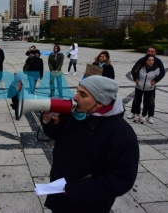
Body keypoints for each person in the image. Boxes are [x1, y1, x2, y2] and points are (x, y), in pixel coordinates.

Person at [40, 75, 139, 212]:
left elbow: (121, 179)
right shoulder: (78, 114)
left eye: (83, 94)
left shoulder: (121, 134)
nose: (75, 97)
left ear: (100, 102)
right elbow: (58, 135)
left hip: (88, 204)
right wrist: (49, 122)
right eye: (77, 91)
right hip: (61, 193)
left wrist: (72, 190)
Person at [127, 46, 165, 124]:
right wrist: (136, 78)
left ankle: (150, 115)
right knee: (136, 99)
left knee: (150, 101)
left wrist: (155, 81)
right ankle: (133, 112)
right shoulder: (141, 60)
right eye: (148, 51)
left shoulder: (158, 61)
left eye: (152, 51)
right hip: (140, 84)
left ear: (155, 53)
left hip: (150, 85)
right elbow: (134, 70)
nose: (150, 52)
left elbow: (162, 73)